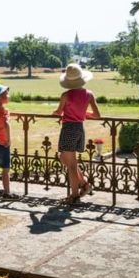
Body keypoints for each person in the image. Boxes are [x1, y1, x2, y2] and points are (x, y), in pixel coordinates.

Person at [52, 63, 101, 205]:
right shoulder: (89, 94)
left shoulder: (66, 95)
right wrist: (83, 113)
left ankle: (74, 196)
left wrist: (55, 113)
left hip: (68, 129)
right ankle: (84, 185)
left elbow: (59, 112)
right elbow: (97, 115)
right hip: (79, 128)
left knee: (71, 165)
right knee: (65, 159)